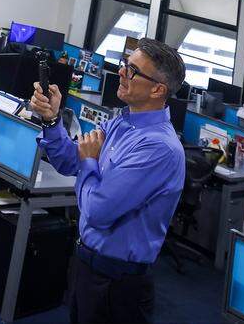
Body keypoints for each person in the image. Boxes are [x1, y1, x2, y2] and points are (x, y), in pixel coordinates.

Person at [30, 38, 186, 324]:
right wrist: (52, 121)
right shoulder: (120, 122)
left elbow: (98, 210)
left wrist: (89, 161)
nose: (122, 73)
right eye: (125, 65)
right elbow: (69, 161)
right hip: (86, 266)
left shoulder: (158, 148)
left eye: (133, 71)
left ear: (157, 89)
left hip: (118, 282)